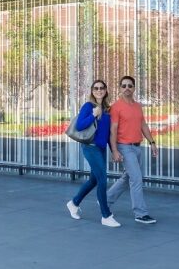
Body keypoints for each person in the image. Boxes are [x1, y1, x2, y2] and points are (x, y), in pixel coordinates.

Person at [66, 80, 120, 228]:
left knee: (94, 180)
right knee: (102, 180)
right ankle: (106, 215)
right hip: (90, 147)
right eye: (96, 88)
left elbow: (108, 133)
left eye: (102, 88)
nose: (99, 90)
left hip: (101, 148)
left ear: (106, 90)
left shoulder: (108, 109)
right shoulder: (88, 106)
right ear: (92, 91)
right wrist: (94, 115)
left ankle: (74, 203)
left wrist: (114, 151)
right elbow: (79, 125)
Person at [108, 75, 159, 225]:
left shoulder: (137, 106)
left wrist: (152, 142)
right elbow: (113, 130)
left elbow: (143, 125)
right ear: (119, 88)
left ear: (134, 88)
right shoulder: (116, 107)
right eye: (123, 86)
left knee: (127, 177)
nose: (127, 88)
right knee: (136, 179)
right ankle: (140, 213)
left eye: (130, 86)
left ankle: (105, 200)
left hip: (137, 147)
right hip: (124, 147)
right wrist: (115, 150)